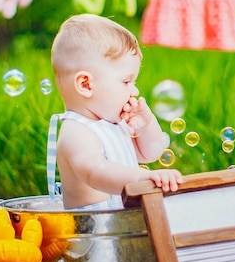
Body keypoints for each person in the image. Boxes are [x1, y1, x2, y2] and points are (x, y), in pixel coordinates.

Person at [47, 14, 182, 210]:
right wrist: (142, 178)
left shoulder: (113, 124)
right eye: (126, 81)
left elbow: (151, 152)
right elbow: (96, 172)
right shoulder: (76, 132)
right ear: (86, 84)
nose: (134, 91)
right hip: (96, 234)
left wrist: (146, 123)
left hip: (124, 228)